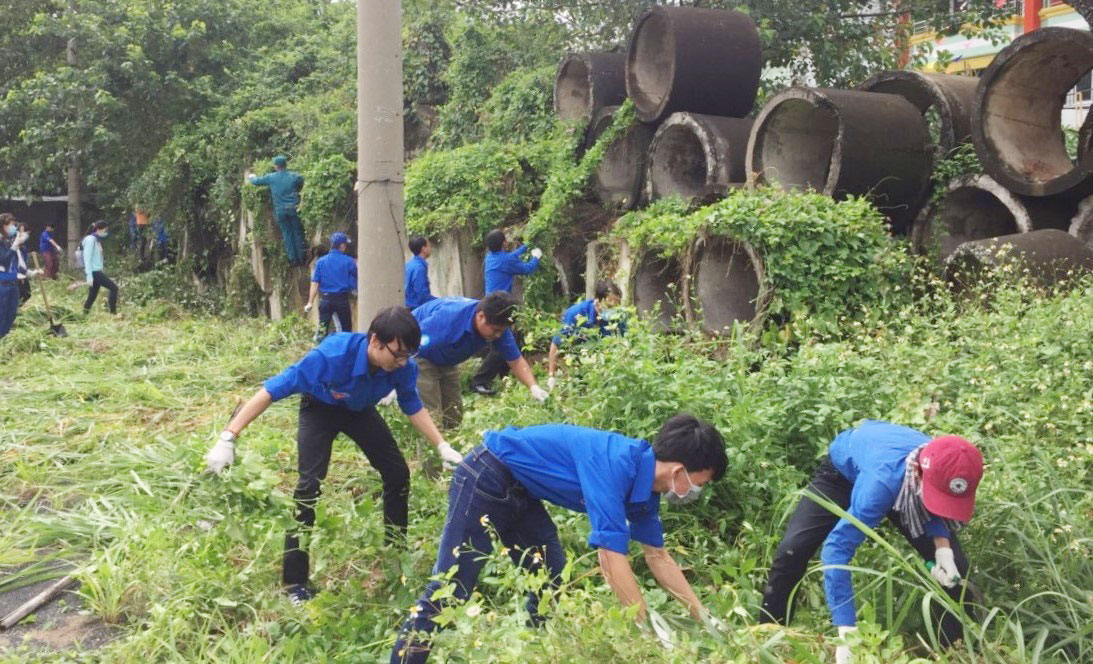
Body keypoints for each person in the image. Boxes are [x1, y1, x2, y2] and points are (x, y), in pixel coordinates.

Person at [391, 414, 729, 664]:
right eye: (703, 480)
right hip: (486, 474)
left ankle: (538, 650)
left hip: (520, 489)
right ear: (679, 470)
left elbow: (658, 557)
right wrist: (644, 631)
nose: (700, 490)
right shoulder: (614, 464)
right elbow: (611, 559)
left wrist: (705, 618)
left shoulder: (645, 490)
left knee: (550, 573)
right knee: (452, 586)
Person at [203, 307, 463, 604]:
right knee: (309, 488)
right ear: (376, 341)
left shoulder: (403, 367)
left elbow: (412, 405)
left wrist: (441, 445)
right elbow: (271, 390)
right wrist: (228, 436)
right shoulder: (330, 357)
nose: (402, 361)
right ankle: (295, 583)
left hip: (360, 412)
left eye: (408, 356)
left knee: (397, 473)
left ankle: (394, 553)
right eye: (398, 353)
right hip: (320, 408)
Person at [757, 421, 984, 663]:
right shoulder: (880, 486)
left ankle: (956, 653)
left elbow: (936, 505)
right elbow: (836, 550)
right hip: (842, 475)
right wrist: (846, 630)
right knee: (792, 550)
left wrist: (943, 549)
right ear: (919, 475)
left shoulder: (948, 462)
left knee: (957, 570)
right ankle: (769, 641)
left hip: (906, 484)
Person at [412, 293, 548, 431]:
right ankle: (430, 448)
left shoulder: (497, 325)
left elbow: (516, 360)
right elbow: (411, 343)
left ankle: (451, 443)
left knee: (453, 416)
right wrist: (397, 376)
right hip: (421, 353)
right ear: (481, 316)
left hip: (447, 358)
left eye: (502, 331)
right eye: (496, 330)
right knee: (431, 416)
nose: (498, 335)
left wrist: (533, 387)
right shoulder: (449, 318)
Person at [471, 229, 543, 395]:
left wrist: (526, 246)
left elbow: (512, 256)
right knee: (500, 346)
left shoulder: (491, 257)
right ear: (503, 243)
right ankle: (479, 381)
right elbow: (527, 269)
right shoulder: (505, 260)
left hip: (491, 303)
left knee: (514, 339)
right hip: (500, 308)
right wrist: (536, 256)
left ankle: (505, 374)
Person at [546, 280, 625, 390]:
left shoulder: (617, 318)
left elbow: (623, 344)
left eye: (615, 306)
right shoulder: (576, 314)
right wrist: (552, 376)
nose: (612, 310)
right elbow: (556, 345)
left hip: (604, 368)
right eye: (609, 306)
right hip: (576, 365)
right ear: (597, 302)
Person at [247, 155, 306, 265]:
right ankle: (302, 258)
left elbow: (256, 181)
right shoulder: (294, 176)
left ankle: (293, 260)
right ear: (285, 165)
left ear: (276, 166)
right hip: (293, 208)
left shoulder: (271, 177)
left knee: (287, 233)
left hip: (281, 211)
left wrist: (251, 177)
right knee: (297, 232)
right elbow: (302, 180)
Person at [305, 232, 357, 341]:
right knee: (346, 332)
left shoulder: (321, 262)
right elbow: (355, 281)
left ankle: (318, 350)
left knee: (322, 330)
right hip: (341, 300)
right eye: (345, 245)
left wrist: (310, 302)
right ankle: (345, 353)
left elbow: (315, 283)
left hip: (326, 300)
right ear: (342, 246)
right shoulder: (348, 261)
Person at [1, 214, 35, 338]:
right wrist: (15, 246)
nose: (13, 228)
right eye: (11, 225)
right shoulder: (3, 243)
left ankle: (4, 336)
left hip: (13, 283)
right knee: (2, 313)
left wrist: (29, 273)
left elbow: (17, 262)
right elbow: (3, 261)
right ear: (3, 226)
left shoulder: (10, 242)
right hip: (3, 284)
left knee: (11, 314)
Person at [81, 220, 119, 315]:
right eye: (105, 230)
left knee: (92, 296)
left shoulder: (96, 240)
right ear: (98, 229)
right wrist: (89, 275)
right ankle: (113, 313)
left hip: (97, 271)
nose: (106, 233)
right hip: (94, 272)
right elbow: (87, 258)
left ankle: (84, 315)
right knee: (114, 288)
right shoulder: (90, 240)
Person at [404, 236, 437, 310]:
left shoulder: (409, 265)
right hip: (417, 310)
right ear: (424, 249)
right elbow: (423, 295)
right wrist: (441, 301)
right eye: (429, 246)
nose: (431, 248)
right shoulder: (419, 268)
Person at [15, 223, 32, 305]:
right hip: (14, 274)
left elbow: (22, 261)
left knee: (27, 294)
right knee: (22, 294)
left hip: (22, 269)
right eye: (20, 229)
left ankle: (18, 308)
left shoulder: (22, 247)